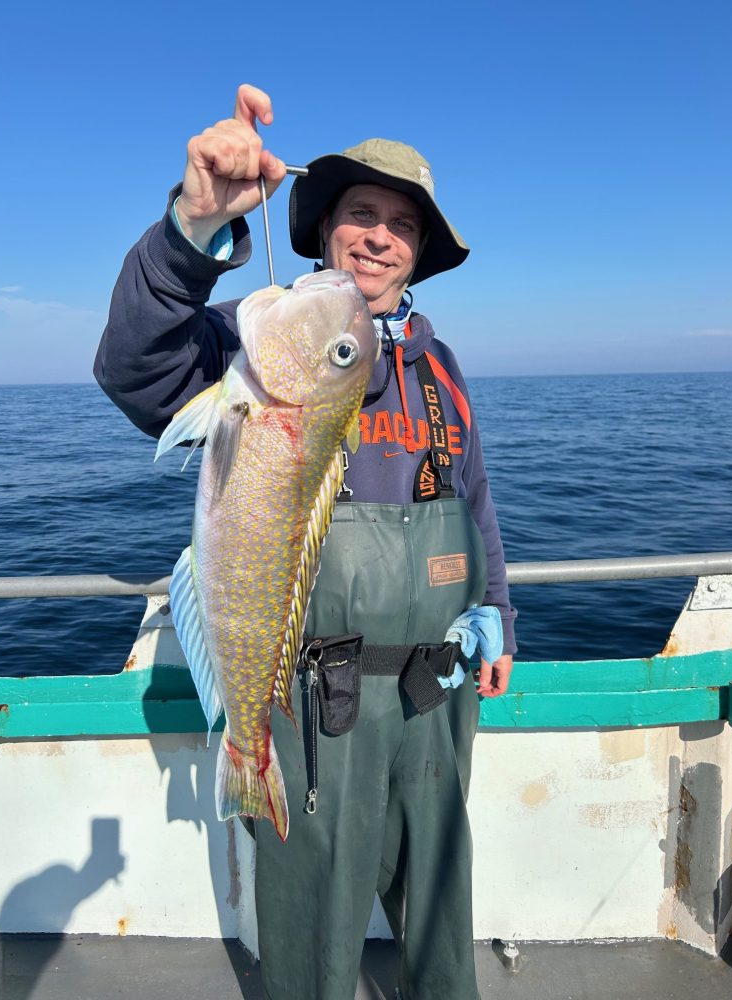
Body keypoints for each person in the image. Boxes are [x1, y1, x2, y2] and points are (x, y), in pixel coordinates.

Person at [95, 84, 517, 1000]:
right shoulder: (243, 360)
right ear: (324, 231)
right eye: (360, 213)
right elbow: (133, 365)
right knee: (313, 936)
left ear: (419, 254)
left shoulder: (440, 371)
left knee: (443, 921)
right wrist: (194, 225)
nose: (377, 236)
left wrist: (499, 617)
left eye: (400, 224)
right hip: (310, 704)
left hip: (437, 699)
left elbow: (474, 505)